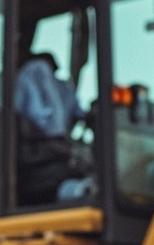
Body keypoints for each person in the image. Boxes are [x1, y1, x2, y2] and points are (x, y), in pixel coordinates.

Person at [14, 51, 95, 203]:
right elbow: (80, 115)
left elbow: (34, 115)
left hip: (47, 151)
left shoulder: (32, 72)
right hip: (55, 152)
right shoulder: (62, 85)